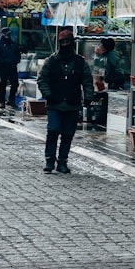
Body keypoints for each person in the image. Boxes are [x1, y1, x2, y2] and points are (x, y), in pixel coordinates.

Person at [37, 29, 94, 174]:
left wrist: (88, 97)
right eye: (63, 42)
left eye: (68, 42)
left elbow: (87, 81)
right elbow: (43, 79)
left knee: (68, 134)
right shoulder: (52, 61)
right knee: (53, 131)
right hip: (55, 103)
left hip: (72, 103)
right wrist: (48, 95)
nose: (65, 45)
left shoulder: (80, 62)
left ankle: (62, 161)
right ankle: (50, 160)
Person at [89, 38, 124, 126]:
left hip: (116, 81)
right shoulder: (108, 54)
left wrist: (106, 80)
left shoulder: (111, 56)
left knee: (110, 100)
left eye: (101, 44)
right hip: (114, 80)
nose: (99, 46)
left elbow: (111, 70)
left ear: (105, 46)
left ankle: (107, 121)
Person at [0, 28, 21, 109]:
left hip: (12, 66)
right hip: (3, 67)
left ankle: (11, 100)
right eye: (6, 34)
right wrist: (2, 62)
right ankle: (2, 101)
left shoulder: (12, 43)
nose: (8, 36)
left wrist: (16, 60)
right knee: (2, 84)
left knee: (15, 84)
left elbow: (17, 52)